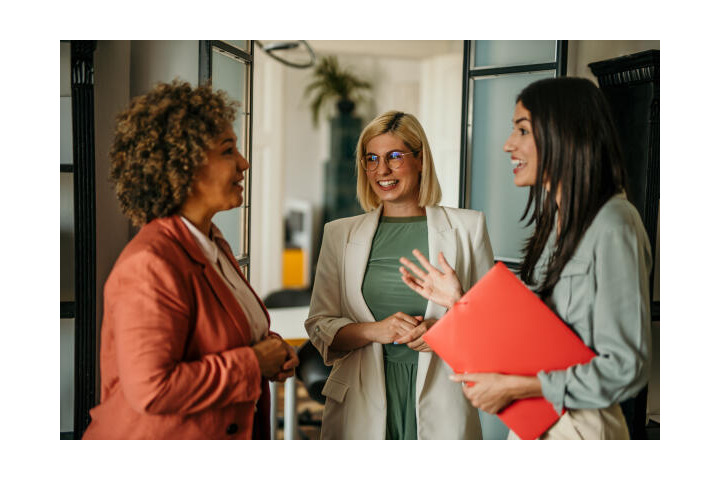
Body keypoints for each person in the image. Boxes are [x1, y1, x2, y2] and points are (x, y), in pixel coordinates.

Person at [399, 77, 652, 440]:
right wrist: (459, 301)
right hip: (534, 428)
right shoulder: (555, 225)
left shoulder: (614, 223)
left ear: (564, 133)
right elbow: (537, 340)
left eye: (522, 130)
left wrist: (515, 388)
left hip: (580, 432)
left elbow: (626, 368)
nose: (508, 145)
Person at [82, 80, 298, 440]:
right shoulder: (150, 264)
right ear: (184, 165)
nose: (243, 163)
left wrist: (269, 347)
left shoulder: (211, 243)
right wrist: (255, 362)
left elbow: (216, 336)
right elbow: (153, 388)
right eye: (228, 150)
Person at [305, 111, 494, 439]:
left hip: (442, 398)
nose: (382, 170)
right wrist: (374, 331)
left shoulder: (468, 228)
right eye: (372, 159)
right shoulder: (339, 234)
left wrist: (442, 330)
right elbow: (320, 326)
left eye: (394, 156)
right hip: (360, 401)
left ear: (420, 160)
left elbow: (491, 324)